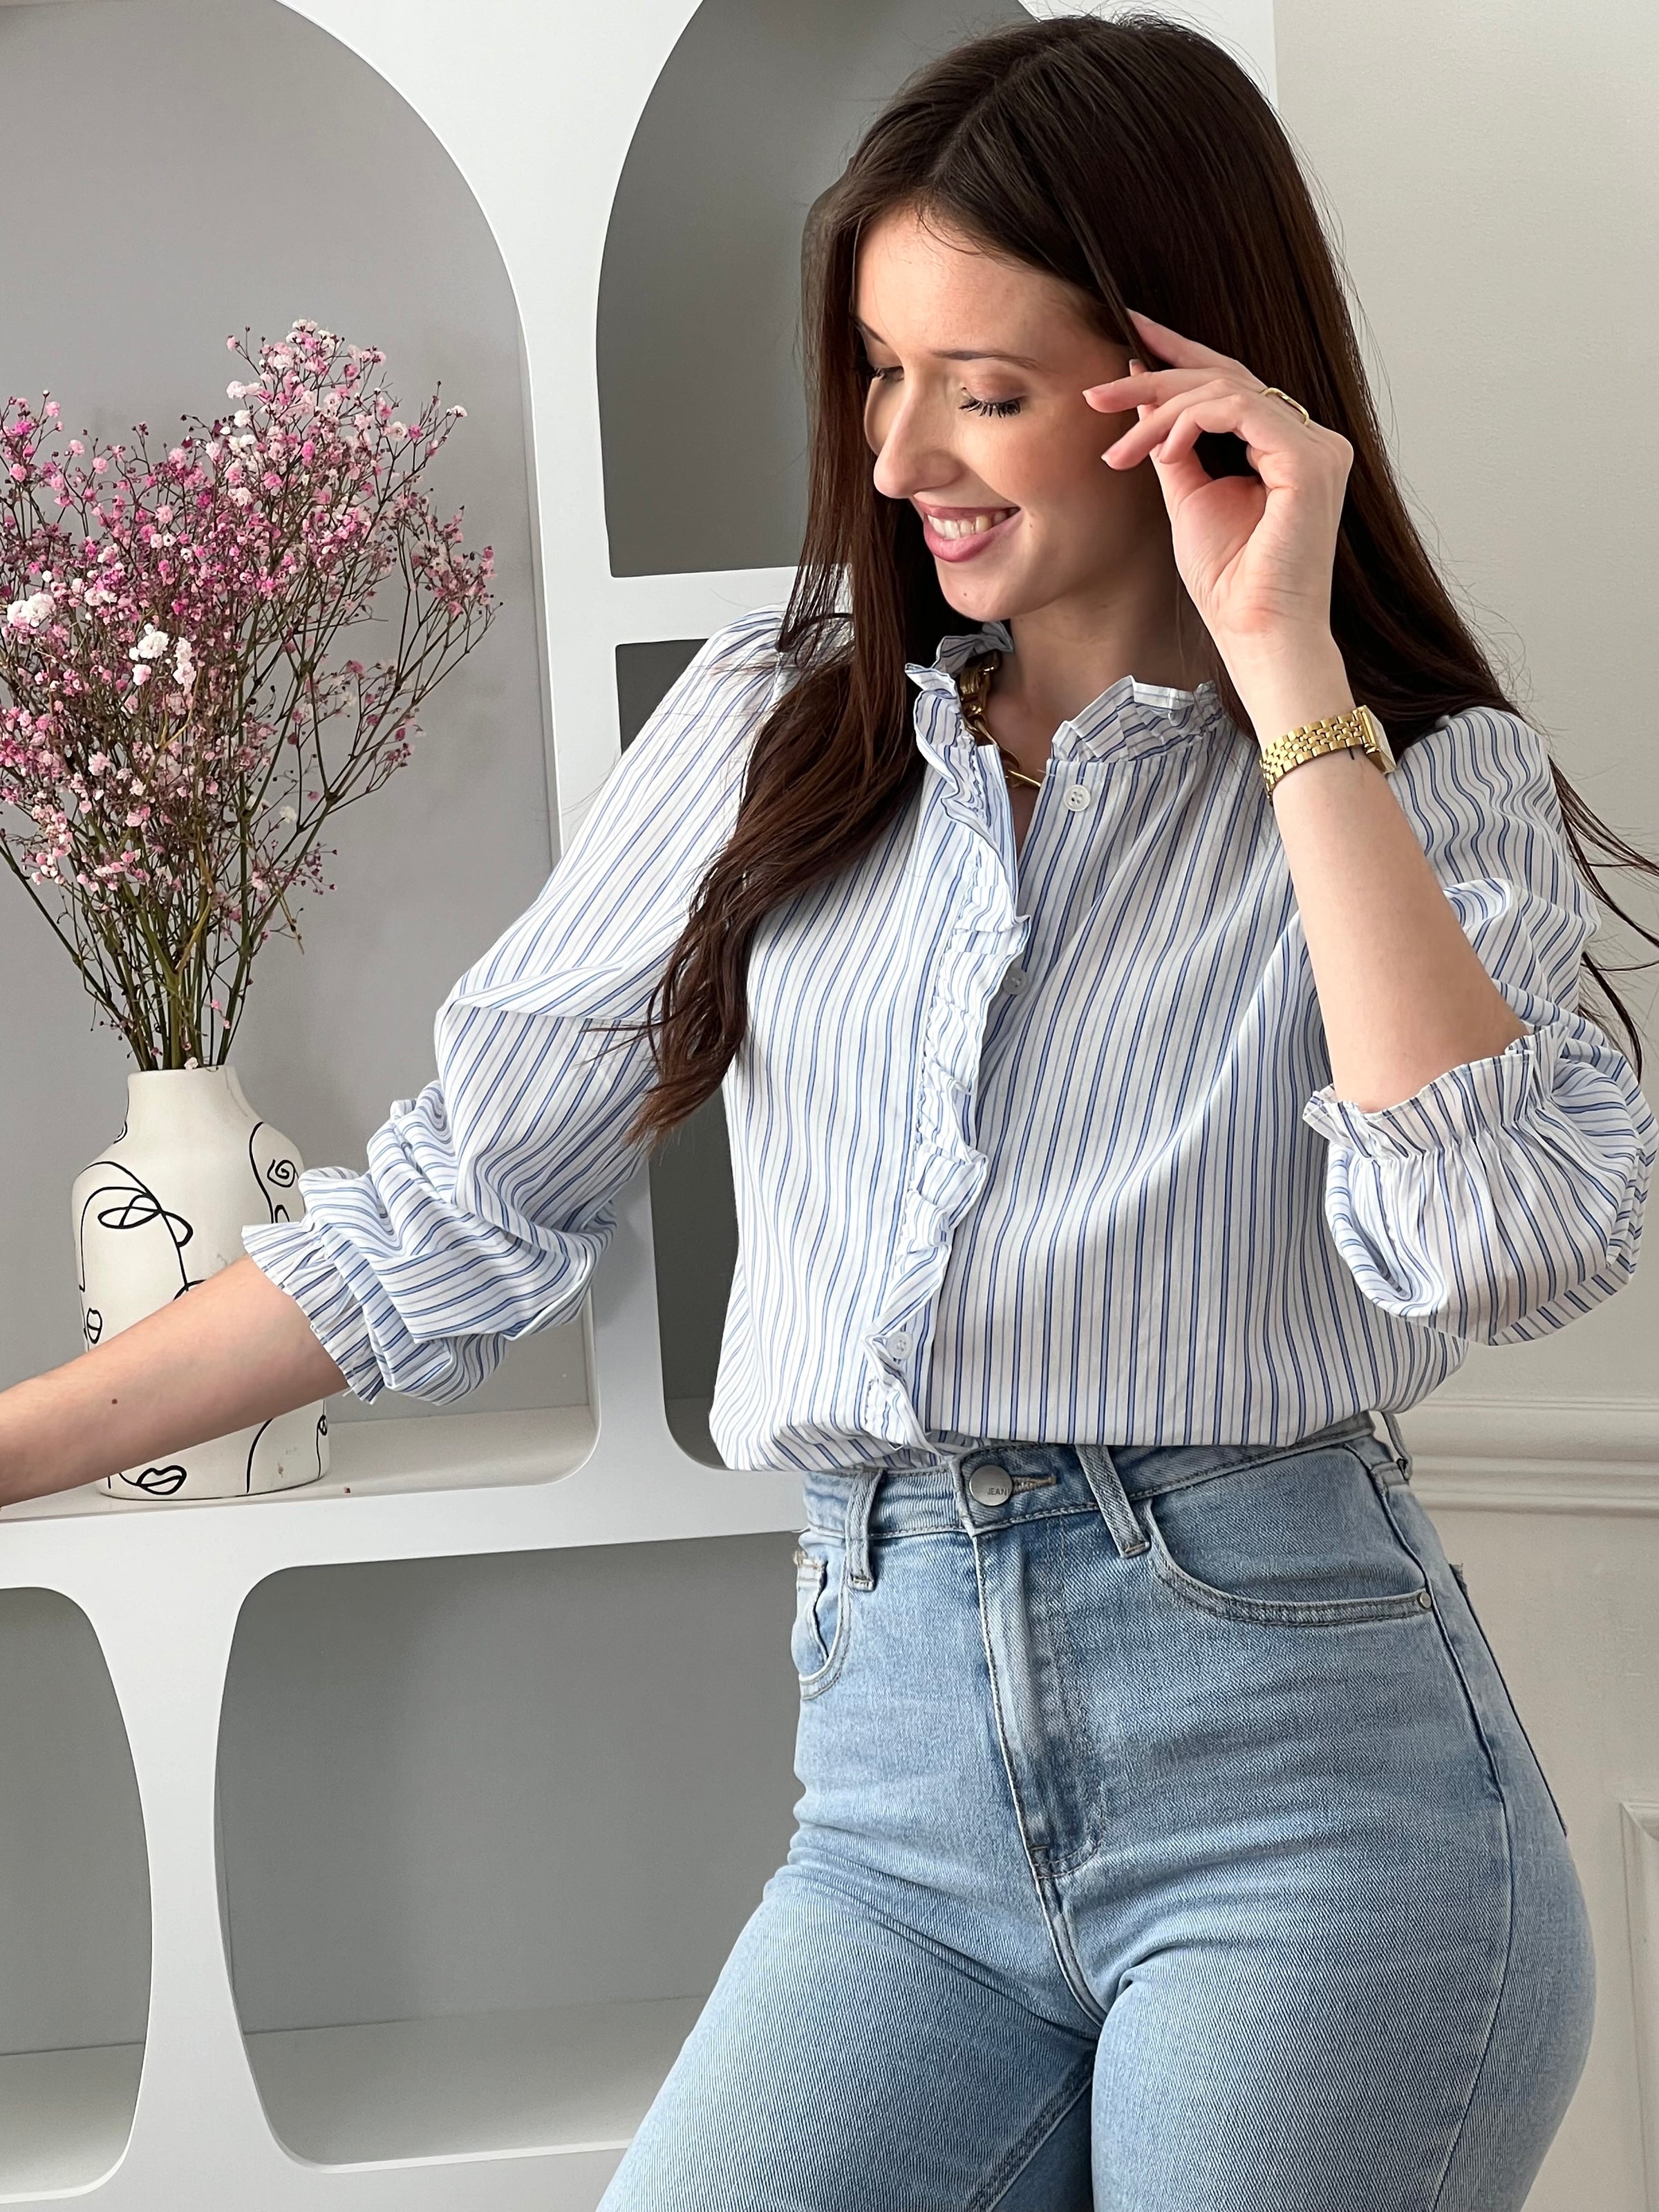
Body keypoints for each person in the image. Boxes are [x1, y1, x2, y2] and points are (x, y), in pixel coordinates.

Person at [3, 12, 1655, 2206]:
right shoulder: (773, 724)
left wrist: (1289, 676)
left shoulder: (1415, 783)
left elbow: (1497, 1246)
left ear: (1187, 389)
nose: (901, 455)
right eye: (880, 373)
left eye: (985, 388)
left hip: (1317, 1804)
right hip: (898, 1804)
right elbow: (447, 1217)